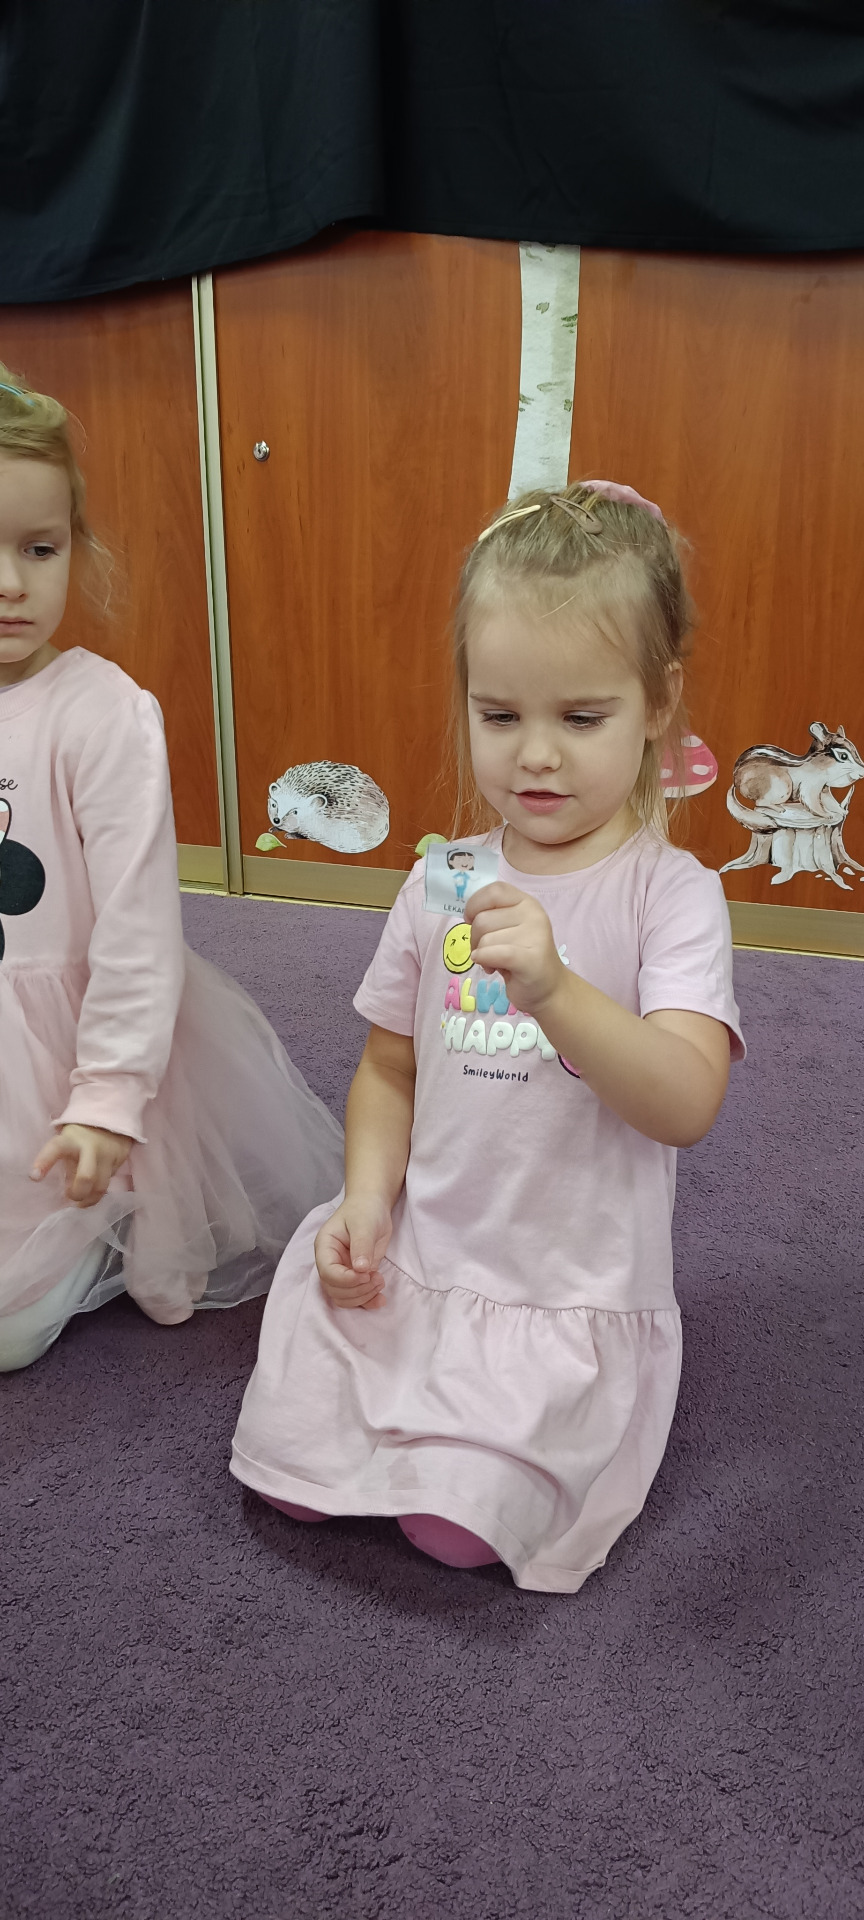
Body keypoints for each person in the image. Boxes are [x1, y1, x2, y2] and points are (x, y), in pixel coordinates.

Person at [230, 479, 744, 1593]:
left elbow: (685, 1101)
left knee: (459, 1525)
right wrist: (366, 1200)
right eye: (500, 717)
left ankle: (476, 1446)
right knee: (289, 1458)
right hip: (426, 1254)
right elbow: (389, 1068)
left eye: (581, 718)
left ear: (659, 702)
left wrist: (557, 990)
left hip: (563, 1284)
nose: (535, 757)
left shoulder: (672, 895)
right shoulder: (443, 879)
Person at [0, 366, 344, 1371]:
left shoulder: (102, 714)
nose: (12, 582)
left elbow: (139, 931)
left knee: (10, 1333)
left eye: (39, 548)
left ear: (76, 546)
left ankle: (106, 1223)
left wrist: (107, 1100)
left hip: (76, 1049)